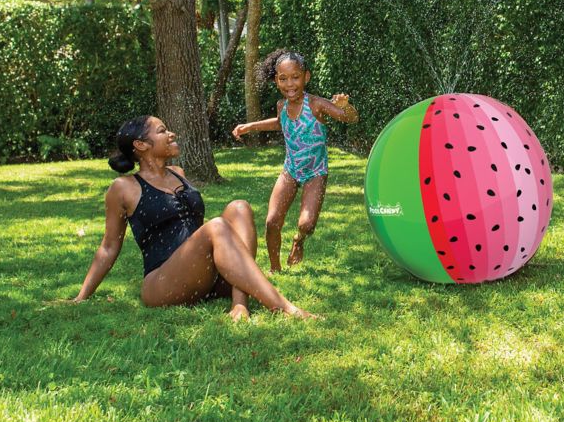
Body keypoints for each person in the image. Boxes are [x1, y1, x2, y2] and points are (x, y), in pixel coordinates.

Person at [73, 115, 315, 320]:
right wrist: (81, 297)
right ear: (141, 144)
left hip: (205, 277)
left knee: (239, 207)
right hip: (164, 284)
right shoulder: (123, 187)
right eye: (162, 131)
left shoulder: (178, 173)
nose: (171, 134)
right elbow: (108, 246)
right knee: (216, 226)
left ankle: (239, 303)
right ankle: (284, 307)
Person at [232, 49, 359, 272]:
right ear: (276, 80)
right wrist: (250, 126)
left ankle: (298, 241)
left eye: (295, 77)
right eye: (283, 79)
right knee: (272, 222)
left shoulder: (316, 104)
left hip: (316, 172)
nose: (289, 84)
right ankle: (275, 269)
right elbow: (280, 122)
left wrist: (344, 106)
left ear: (306, 77)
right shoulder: (282, 105)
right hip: (290, 170)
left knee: (306, 224)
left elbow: (350, 118)